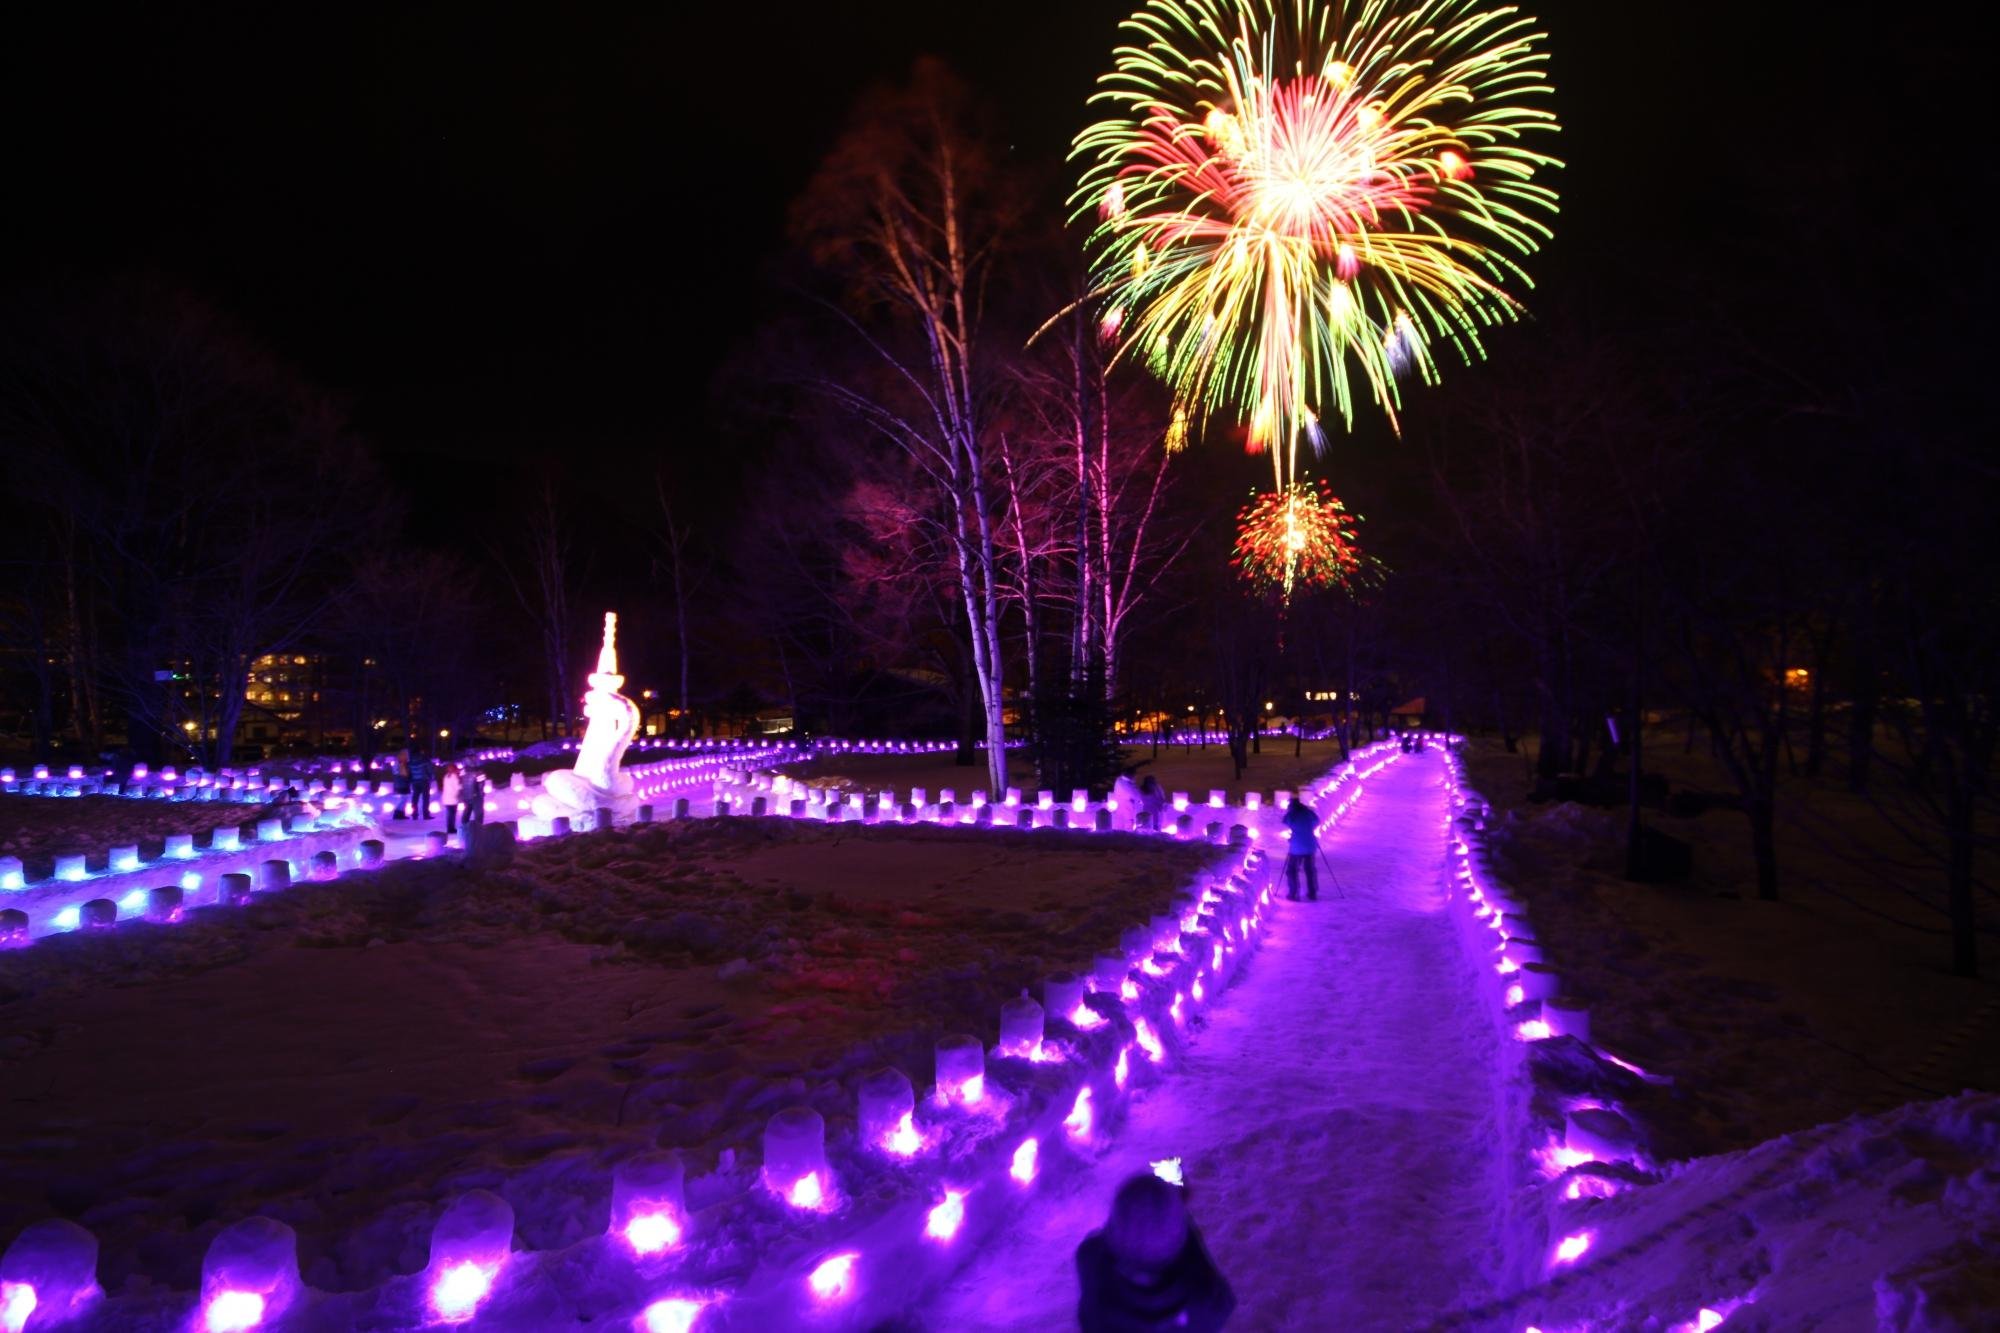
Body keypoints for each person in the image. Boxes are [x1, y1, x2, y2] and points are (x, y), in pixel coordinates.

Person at [1076, 1171, 1235, 1333]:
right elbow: (1224, 1300)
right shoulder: (1210, 1302)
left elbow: (1092, 1247)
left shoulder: (1097, 1298)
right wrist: (1177, 1208)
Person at [1282, 796, 1319, 901]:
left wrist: (1294, 831)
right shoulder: (1308, 812)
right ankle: (1312, 893)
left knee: (1292, 871)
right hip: (1310, 845)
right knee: (1310, 870)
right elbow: (1317, 821)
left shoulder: (1292, 814)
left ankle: (1293, 893)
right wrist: (1308, 829)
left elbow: (1285, 821)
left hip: (1296, 847)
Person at [408, 751, 434, 822]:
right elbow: (430, 770)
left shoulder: (410, 762)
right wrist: (431, 777)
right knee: (425, 798)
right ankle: (426, 814)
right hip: (424, 781)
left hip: (415, 781)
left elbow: (409, 772)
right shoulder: (424, 761)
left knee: (415, 798)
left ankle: (414, 814)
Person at [439, 762, 461, 835]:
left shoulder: (446, 776)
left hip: (446, 798)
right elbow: (457, 787)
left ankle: (449, 827)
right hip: (453, 798)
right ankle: (451, 828)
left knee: (449, 814)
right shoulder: (454, 776)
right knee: (452, 814)